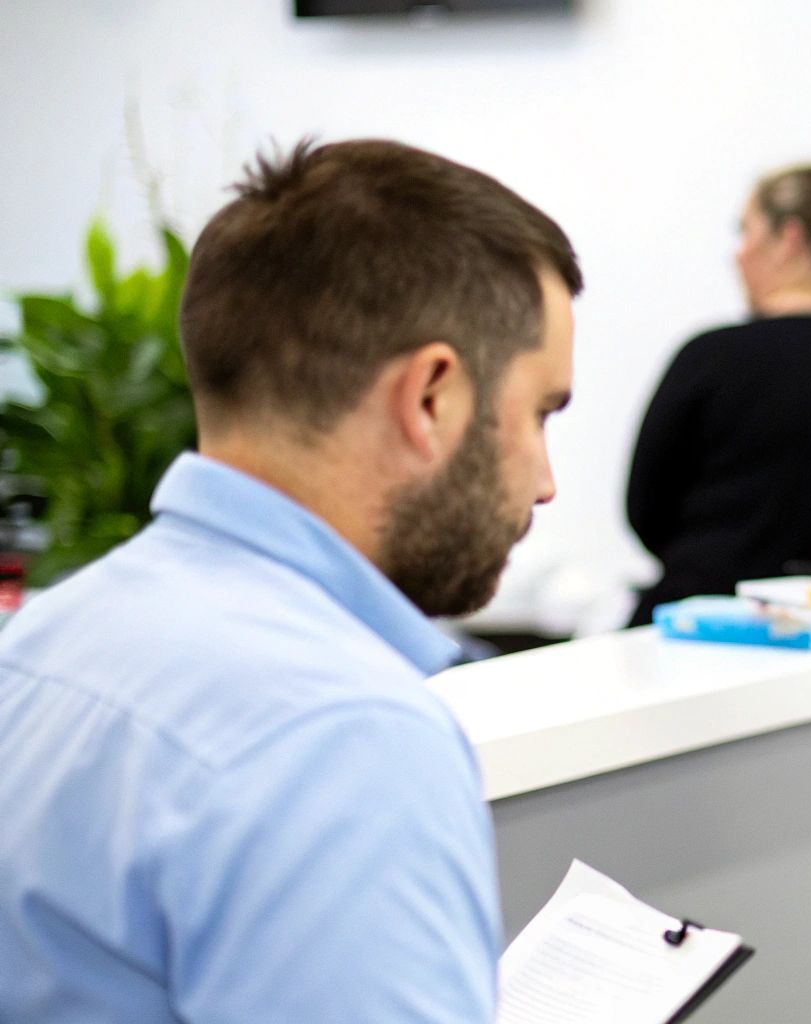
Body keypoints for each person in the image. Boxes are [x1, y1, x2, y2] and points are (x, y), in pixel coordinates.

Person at [0, 138, 582, 1021]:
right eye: (539, 413)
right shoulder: (346, 737)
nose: (545, 481)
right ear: (431, 399)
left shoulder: (44, 642)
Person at [625, 164, 811, 627]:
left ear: (788, 238)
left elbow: (646, 509)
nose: (738, 254)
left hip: (707, 629)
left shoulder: (711, 358)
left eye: (745, 232)